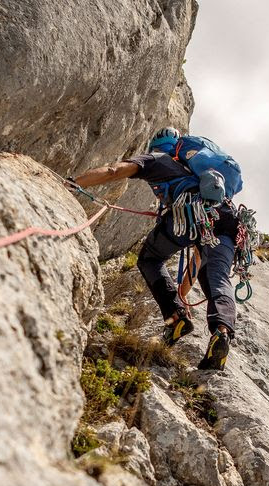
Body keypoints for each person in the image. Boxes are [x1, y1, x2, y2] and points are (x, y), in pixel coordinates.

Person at [69, 127, 238, 371]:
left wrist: (74, 183)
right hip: (227, 221)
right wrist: (180, 295)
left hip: (188, 213)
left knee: (150, 259)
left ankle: (176, 318)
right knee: (214, 277)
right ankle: (221, 333)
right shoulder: (199, 176)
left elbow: (113, 171)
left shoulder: (157, 159)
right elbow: (199, 259)